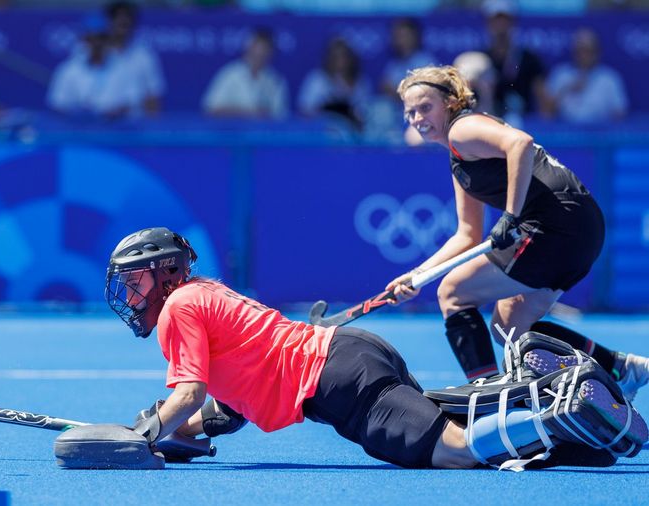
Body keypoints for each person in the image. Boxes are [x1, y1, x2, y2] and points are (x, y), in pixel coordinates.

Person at [69, 226, 647, 471]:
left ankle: (560, 411)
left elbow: (188, 390)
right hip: (352, 357)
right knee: (458, 424)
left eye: (135, 279)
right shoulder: (202, 293)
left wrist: (140, 435)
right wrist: (190, 432)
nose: (130, 292)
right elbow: (230, 398)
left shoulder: (177, 310)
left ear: (164, 273)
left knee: (457, 453)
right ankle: (573, 428)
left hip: (338, 382)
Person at [386, 65, 649, 402]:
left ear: (450, 102)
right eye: (410, 112)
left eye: (425, 107)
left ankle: (489, 396)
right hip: (581, 227)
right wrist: (415, 276)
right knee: (508, 327)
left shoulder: (462, 129)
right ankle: (619, 368)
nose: (417, 118)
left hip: (557, 224)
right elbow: (467, 234)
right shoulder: (459, 157)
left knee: (453, 293)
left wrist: (510, 216)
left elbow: (520, 143)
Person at [46, 13, 138, 119]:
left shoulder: (124, 69)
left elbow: (132, 103)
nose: (97, 43)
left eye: (101, 38)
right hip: (78, 131)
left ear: (109, 39)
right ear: (84, 40)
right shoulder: (67, 70)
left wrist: (113, 113)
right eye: (91, 38)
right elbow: (57, 105)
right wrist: (77, 114)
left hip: (114, 131)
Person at [542, 28, 628, 125]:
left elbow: (620, 114)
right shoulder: (560, 74)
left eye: (588, 50)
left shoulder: (609, 78)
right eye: (580, 50)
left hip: (601, 135)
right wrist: (566, 89)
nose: (584, 55)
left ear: (597, 52)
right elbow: (546, 113)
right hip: (565, 134)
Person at [481, 0, 547, 125]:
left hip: (526, 124)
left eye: (505, 20)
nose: (501, 25)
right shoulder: (480, 60)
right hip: (489, 123)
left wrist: (544, 126)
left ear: (513, 23)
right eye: (496, 20)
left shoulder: (529, 59)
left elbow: (542, 98)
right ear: (488, 23)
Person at [201, 28, 289, 120]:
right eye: (257, 47)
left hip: (263, 133)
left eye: (265, 49)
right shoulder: (230, 74)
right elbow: (211, 108)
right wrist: (249, 113)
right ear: (248, 48)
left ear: (271, 52)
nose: (260, 53)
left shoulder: (276, 80)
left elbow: (280, 115)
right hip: (231, 132)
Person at [104, 1, 166, 116]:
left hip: (135, 124)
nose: (123, 22)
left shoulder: (144, 56)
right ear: (109, 21)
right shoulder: (96, 54)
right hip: (99, 124)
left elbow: (154, 97)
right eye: (118, 18)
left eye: (127, 18)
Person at [297, 37, 372, 130]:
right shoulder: (317, 79)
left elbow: (365, 112)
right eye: (335, 56)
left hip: (352, 133)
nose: (340, 61)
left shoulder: (361, 82)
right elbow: (305, 109)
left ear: (351, 58)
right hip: (322, 131)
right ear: (329, 58)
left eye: (344, 56)